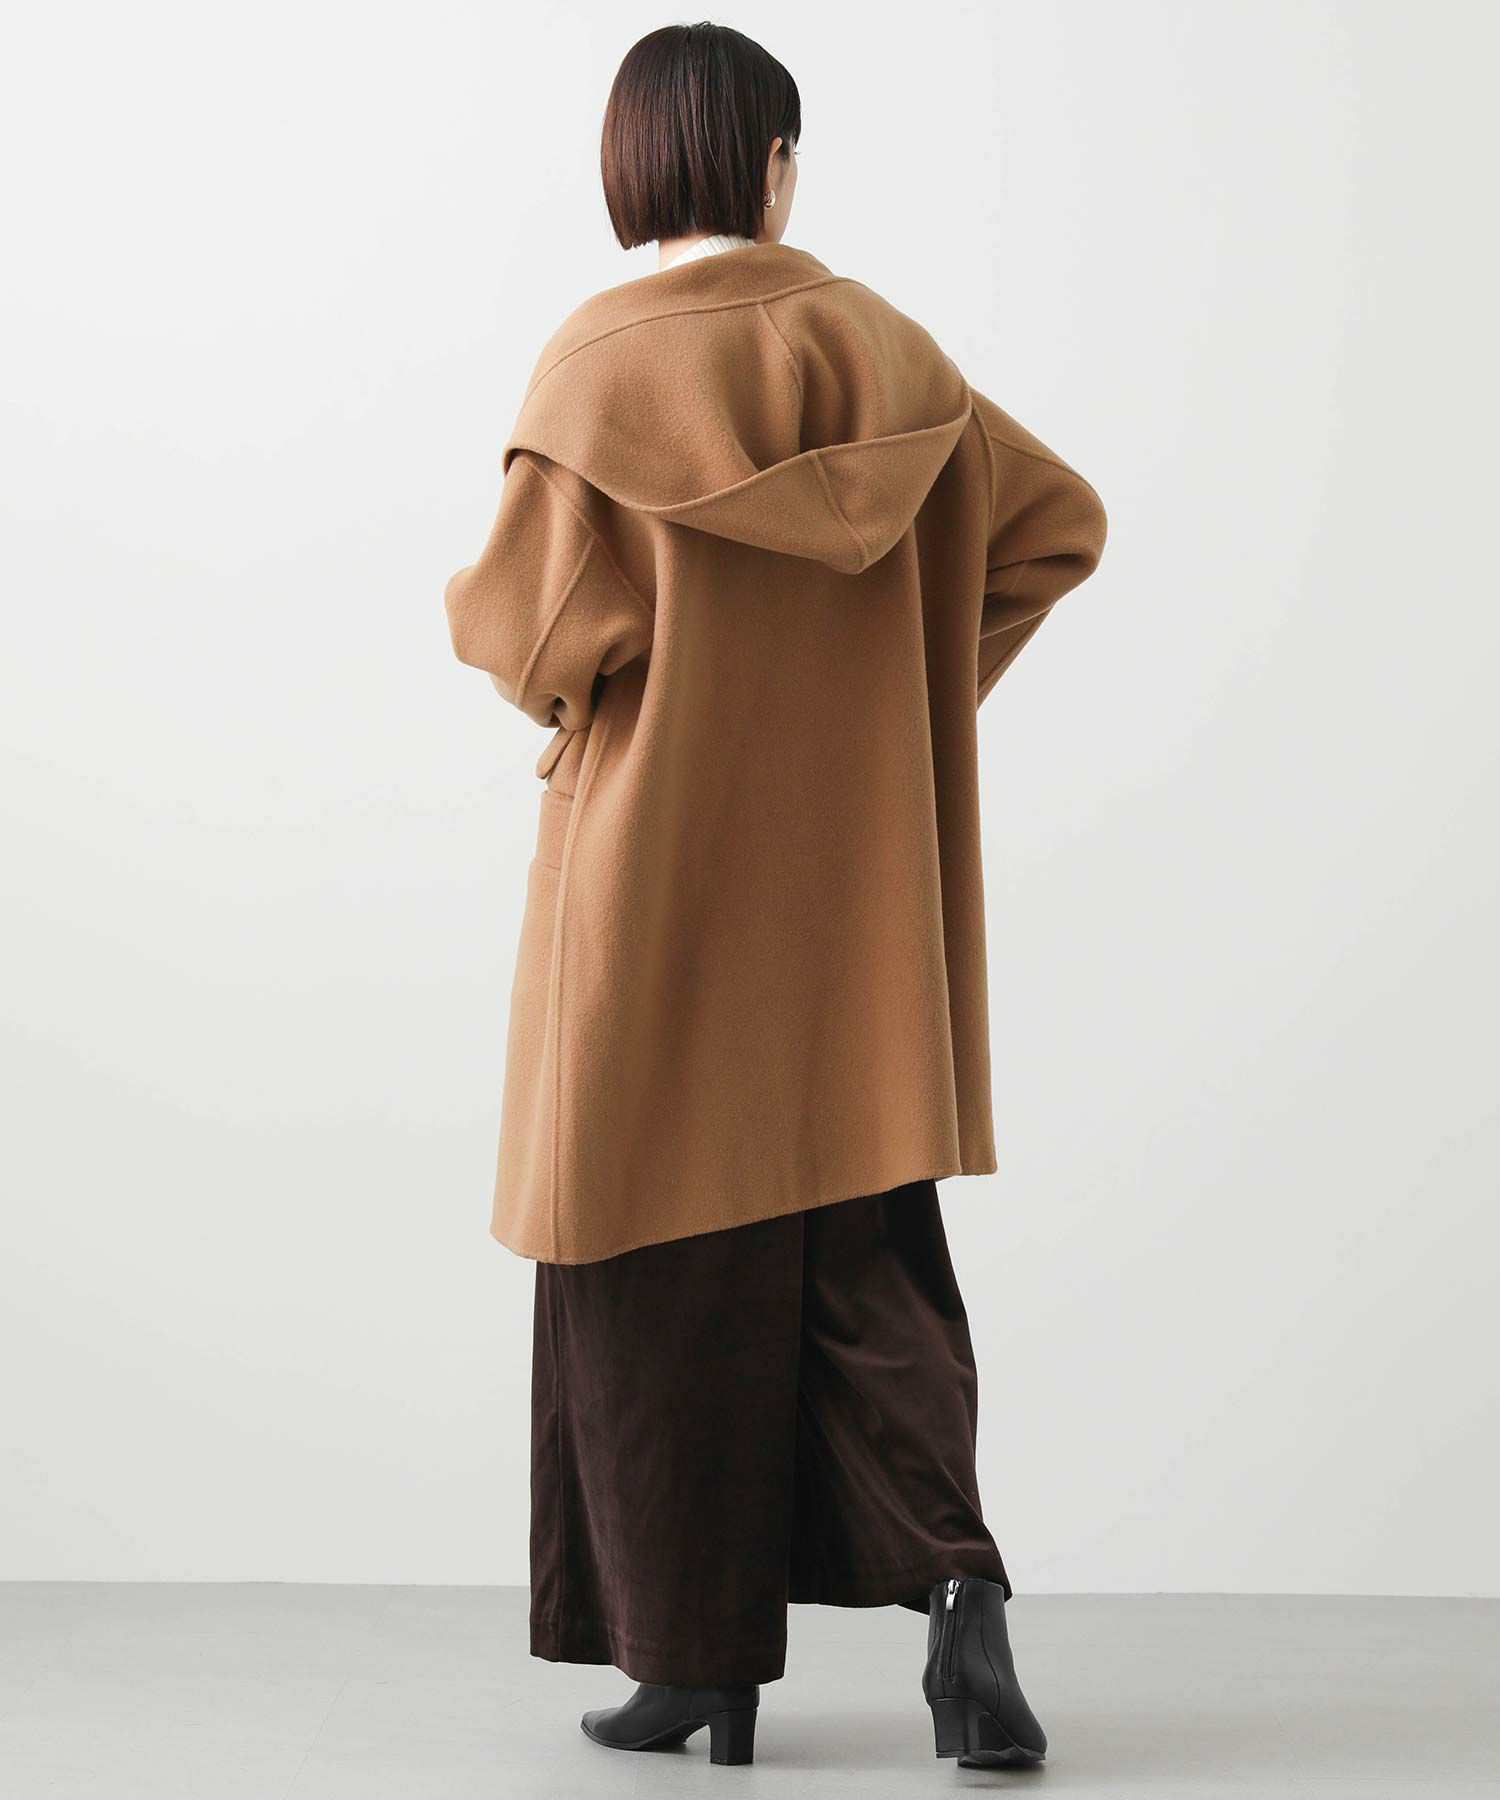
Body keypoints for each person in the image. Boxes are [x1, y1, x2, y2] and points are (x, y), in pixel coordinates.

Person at [443, 20, 1107, 1773]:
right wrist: (895, 699)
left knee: (643, 1273)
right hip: (858, 918)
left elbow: (525, 634)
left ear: (629, 167)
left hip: (655, 900)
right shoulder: (897, 358)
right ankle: (962, 1607)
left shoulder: (597, 373)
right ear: (778, 168)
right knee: (871, 1267)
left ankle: (694, 1671)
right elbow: (1055, 526)